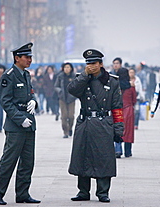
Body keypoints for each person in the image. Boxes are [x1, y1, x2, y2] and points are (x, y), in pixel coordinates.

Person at [67, 49, 124, 203]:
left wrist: (118, 129)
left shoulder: (112, 81)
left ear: (100, 64)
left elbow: (117, 107)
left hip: (103, 123)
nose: (90, 66)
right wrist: (84, 75)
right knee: (82, 156)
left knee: (103, 158)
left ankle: (103, 192)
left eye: (93, 63)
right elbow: (72, 90)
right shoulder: (82, 78)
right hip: (85, 122)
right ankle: (83, 191)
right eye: (88, 63)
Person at [0, 42, 40, 205]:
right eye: (27, 57)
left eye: (31, 57)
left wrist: (34, 101)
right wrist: (20, 119)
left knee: (27, 161)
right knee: (9, 160)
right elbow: (5, 101)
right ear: (17, 58)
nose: (29, 60)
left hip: (29, 123)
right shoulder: (8, 76)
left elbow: (30, 94)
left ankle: (23, 193)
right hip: (16, 125)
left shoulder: (26, 74)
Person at [115, 67, 136, 158]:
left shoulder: (115, 86)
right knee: (128, 131)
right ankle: (128, 151)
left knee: (117, 129)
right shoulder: (131, 87)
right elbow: (134, 100)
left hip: (117, 110)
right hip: (128, 110)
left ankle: (118, 150)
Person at [54, 62, 77, 138]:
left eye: (68, 67)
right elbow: (56, 86)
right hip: (62, 98)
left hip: (71, 98)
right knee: (64, 116)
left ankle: (70, 128)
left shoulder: (74, 76)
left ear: (71, 68)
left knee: (71, 116)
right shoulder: (60, 76)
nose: (67, 69)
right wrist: (60, 91)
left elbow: (77, 86)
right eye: (65, 67)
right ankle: (65, 132)